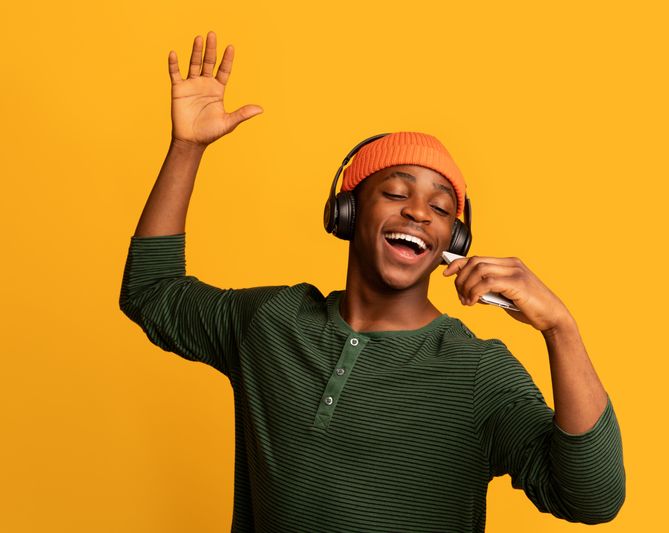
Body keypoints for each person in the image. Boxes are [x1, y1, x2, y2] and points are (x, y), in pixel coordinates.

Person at [119, 30, 626, 533]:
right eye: (396, 192)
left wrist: (561, 328)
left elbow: (592, 498)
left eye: (441, 208)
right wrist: (186, 148)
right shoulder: (271, 324)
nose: (419, 212)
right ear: (347, 211)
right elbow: (150, 291)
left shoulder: (478, 372)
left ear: (455, 237)